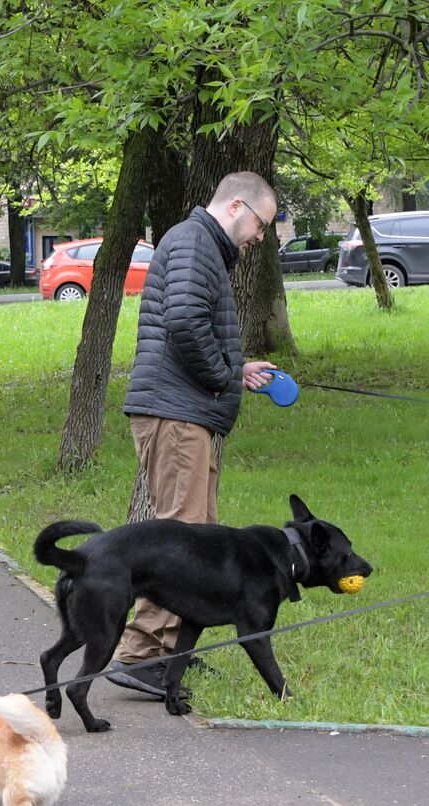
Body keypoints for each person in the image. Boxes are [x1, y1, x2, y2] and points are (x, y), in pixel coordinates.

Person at [107, 171, 280, 697]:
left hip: (187, 411)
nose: (260, 237)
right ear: (235, 207)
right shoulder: (192, 243)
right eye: (260, 224)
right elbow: (183, 323)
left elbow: (190, 325)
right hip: (176, 413)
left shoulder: (201, 247)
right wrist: (223, 374)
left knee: (198, 540)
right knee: (180, 540)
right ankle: (141, 655)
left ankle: (172, 652)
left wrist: (238, 367)